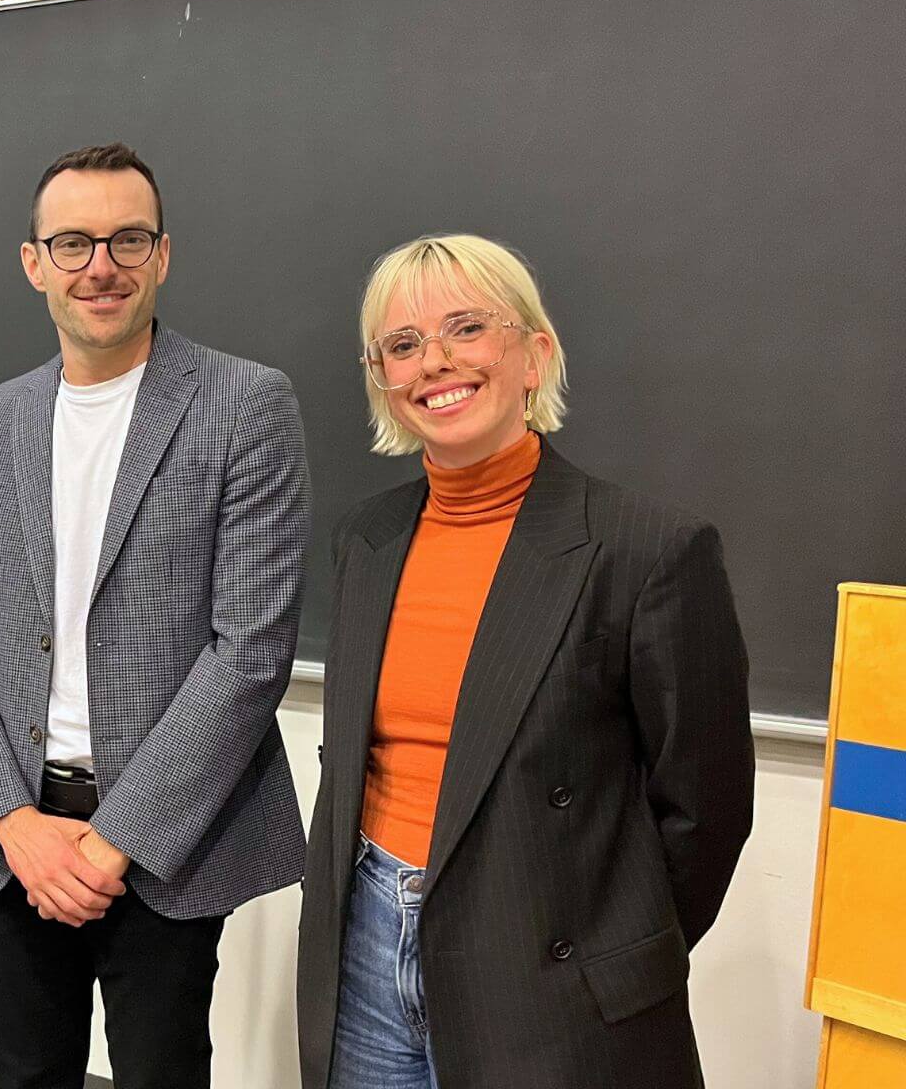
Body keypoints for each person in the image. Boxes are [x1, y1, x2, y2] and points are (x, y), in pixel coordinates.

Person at [296, 234, 755, 1088]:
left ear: (534, 353)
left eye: (466, 328)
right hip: (365, 951)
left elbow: (706, 807)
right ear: (383, 382)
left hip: (546, 970)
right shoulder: (366, 540)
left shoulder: (648, 548)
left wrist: (605, 958)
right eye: (402, 345)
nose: (435, 363)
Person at [0, 142, 311, 1089]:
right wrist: (12, 820)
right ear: (34, 264)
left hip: (168, 845)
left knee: (162, 1075)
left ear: (162, 255)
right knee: (22, 1073)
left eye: (128, 240)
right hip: (21, 838)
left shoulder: (245, 405)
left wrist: (111, 842)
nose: (102, 266)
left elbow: (250, 650)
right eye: (74, 243)